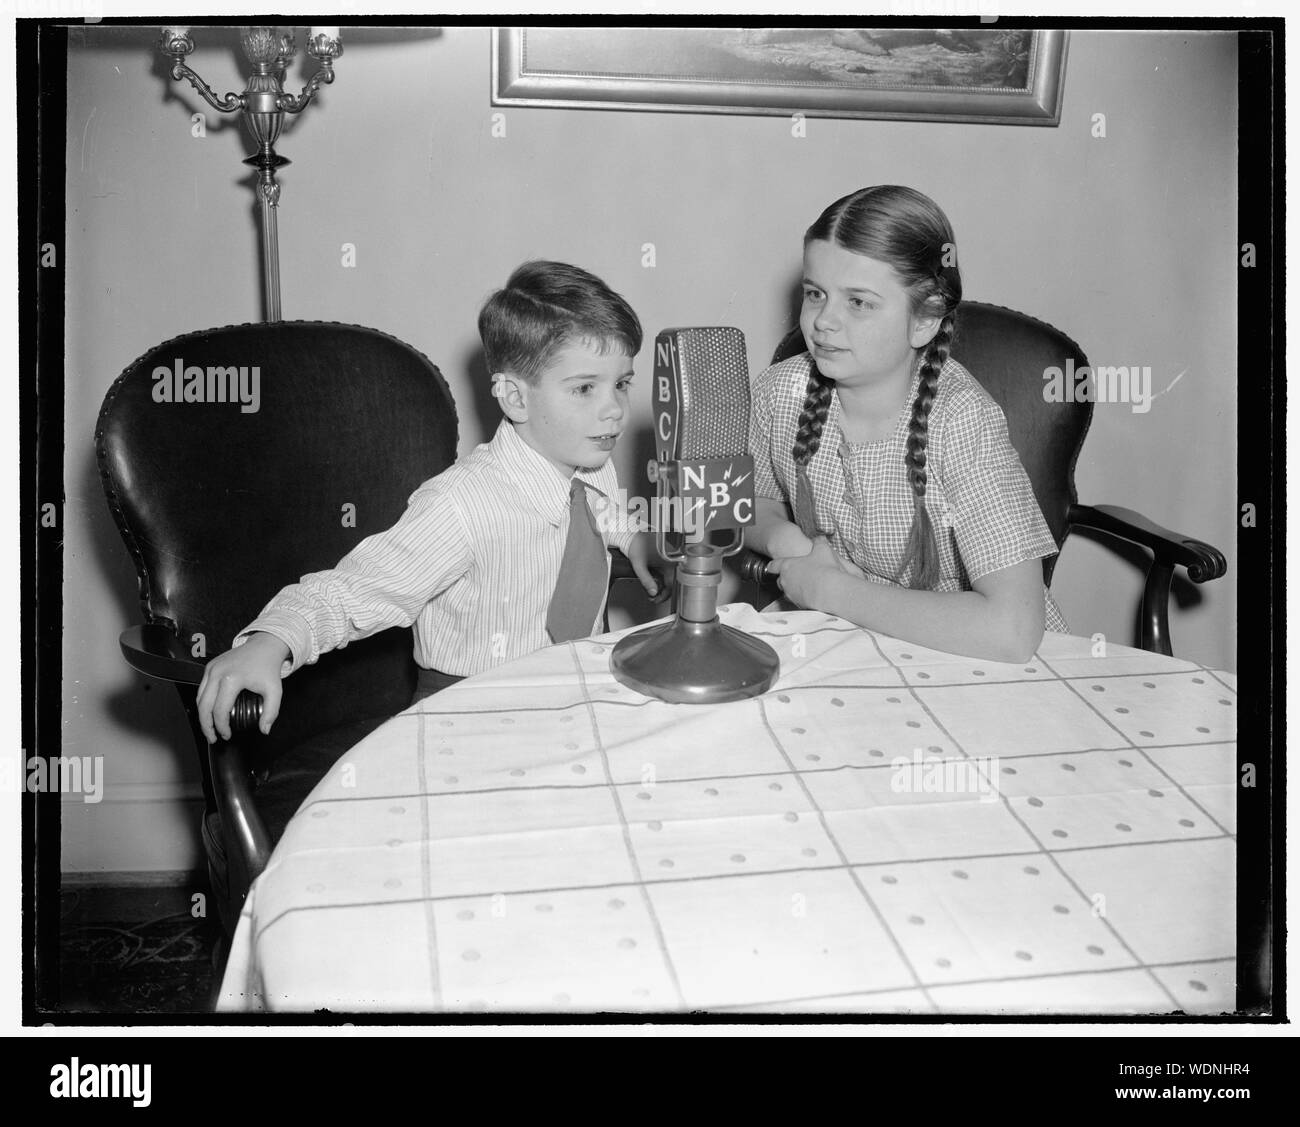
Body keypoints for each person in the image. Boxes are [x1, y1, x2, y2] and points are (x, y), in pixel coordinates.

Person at [196, 260, 661, 743]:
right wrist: (273, 641)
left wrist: (635, 540)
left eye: (621, 384)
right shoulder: (459, 506)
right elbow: (354, 590)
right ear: (515, 397)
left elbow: (604, 514)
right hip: (465, 721)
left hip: (569, 704)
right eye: (585, 388)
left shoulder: (590, 462)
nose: (614, 409)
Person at [747, 185, 1066, 662]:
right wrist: (784, 538)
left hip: (973, 656)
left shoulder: (962, 420)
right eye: (816, 294)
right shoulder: (780, 391)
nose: (823, 322)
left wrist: (831, 590)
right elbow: (745, 502)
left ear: (925, 319)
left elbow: (1013, 631)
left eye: (859, 302)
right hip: (849, 638)